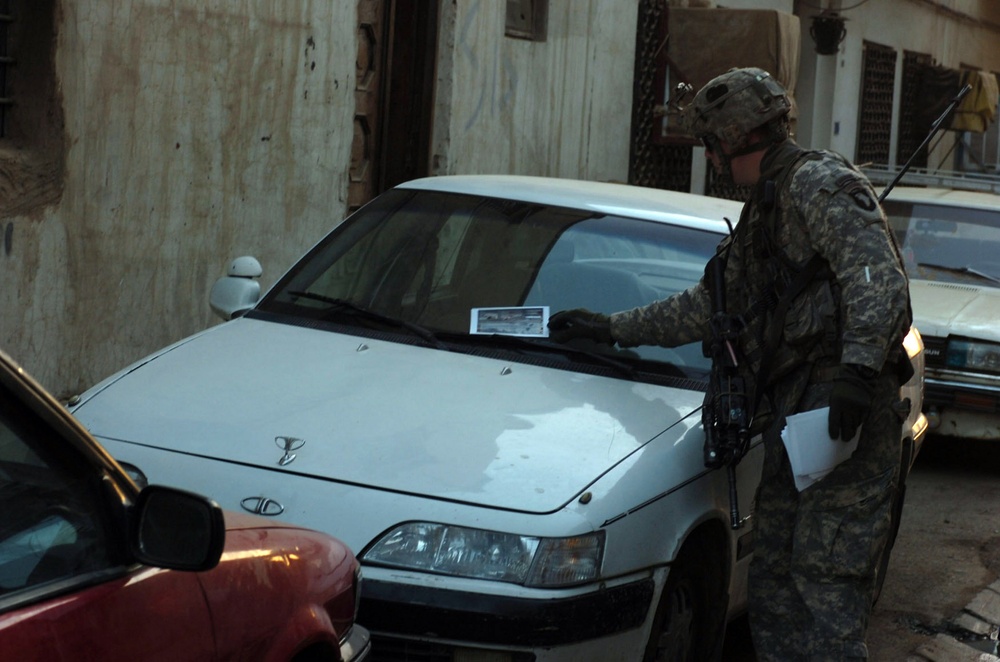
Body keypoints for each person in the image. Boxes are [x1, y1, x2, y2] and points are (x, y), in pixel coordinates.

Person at [548, 67, 912, 660]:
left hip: (843, 421)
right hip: (797, 422)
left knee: (826, 593)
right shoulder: (763, 211)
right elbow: (710, 306)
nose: (712, 159)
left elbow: (877, 279)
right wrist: (613, 328)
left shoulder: (818, 184)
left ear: (736, 138)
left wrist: (858, 371)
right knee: (772, 588)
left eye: (712, 144)